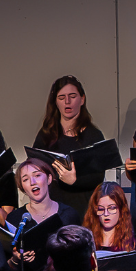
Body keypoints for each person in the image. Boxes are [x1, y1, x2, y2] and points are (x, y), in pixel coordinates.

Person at [6, 157, 80, 271]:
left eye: (37, 175)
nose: (32, 182)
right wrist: (16, 260)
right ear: (22, 187)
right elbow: (6, 267)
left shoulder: (69, 215)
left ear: (49, 178)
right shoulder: (15, 219)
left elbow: (78, 258)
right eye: (26, 179)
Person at [33, 75, 107, 211]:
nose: (67, 101)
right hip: (52, 206)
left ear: (82, 99)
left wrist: (75, 180)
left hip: (83, 207)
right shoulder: (46, 135)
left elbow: (98, 176)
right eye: (61, 98)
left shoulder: (93, 135)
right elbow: (33, 166)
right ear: (55, 102)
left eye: (72, 96)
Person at [83, 181, 136, 271]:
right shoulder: (86, 239)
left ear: (121, 209)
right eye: (101, 209)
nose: (106, 214)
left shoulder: (135, 240)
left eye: (112, 208)